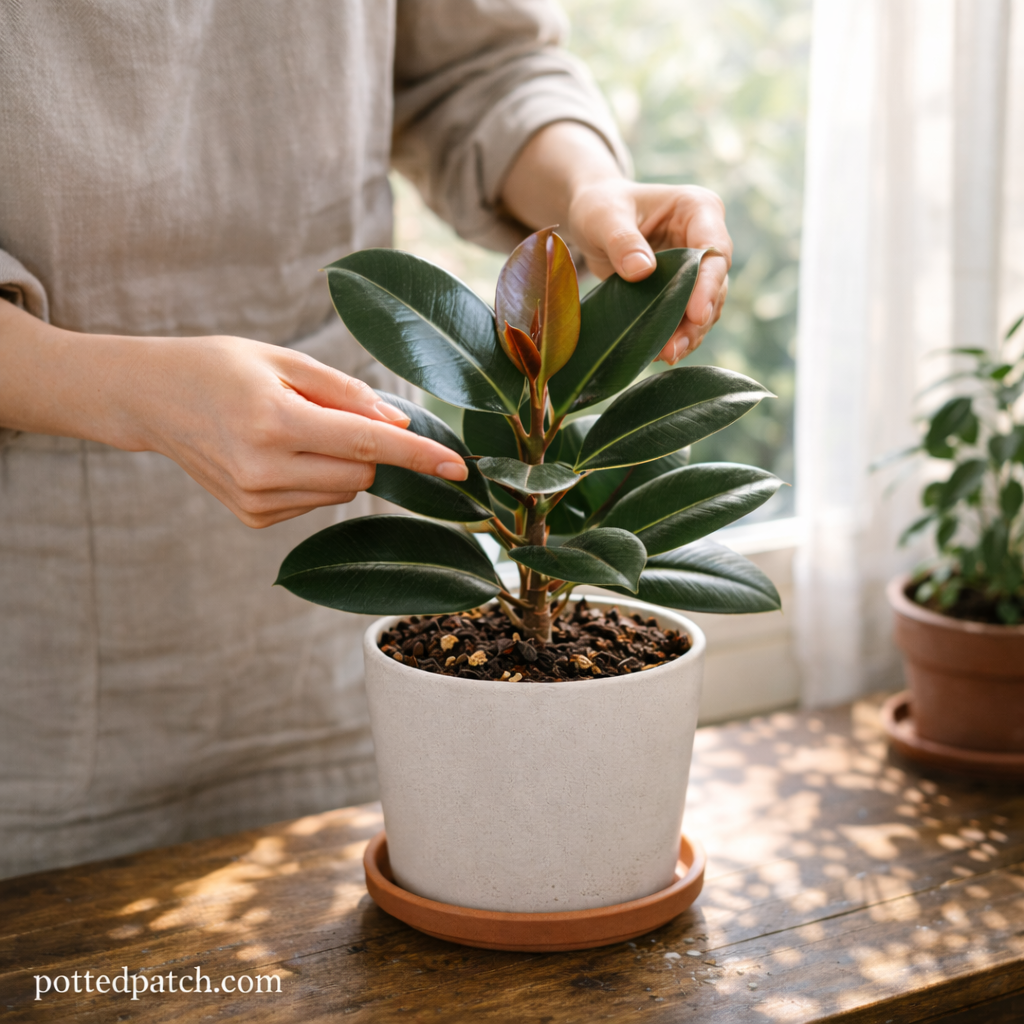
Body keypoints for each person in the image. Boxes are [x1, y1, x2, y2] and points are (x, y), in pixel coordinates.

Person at [0, 1, 731, 878]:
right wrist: (121, 392)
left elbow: (477, 67)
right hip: (34, 626)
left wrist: (588, 191)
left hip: (349, 548)